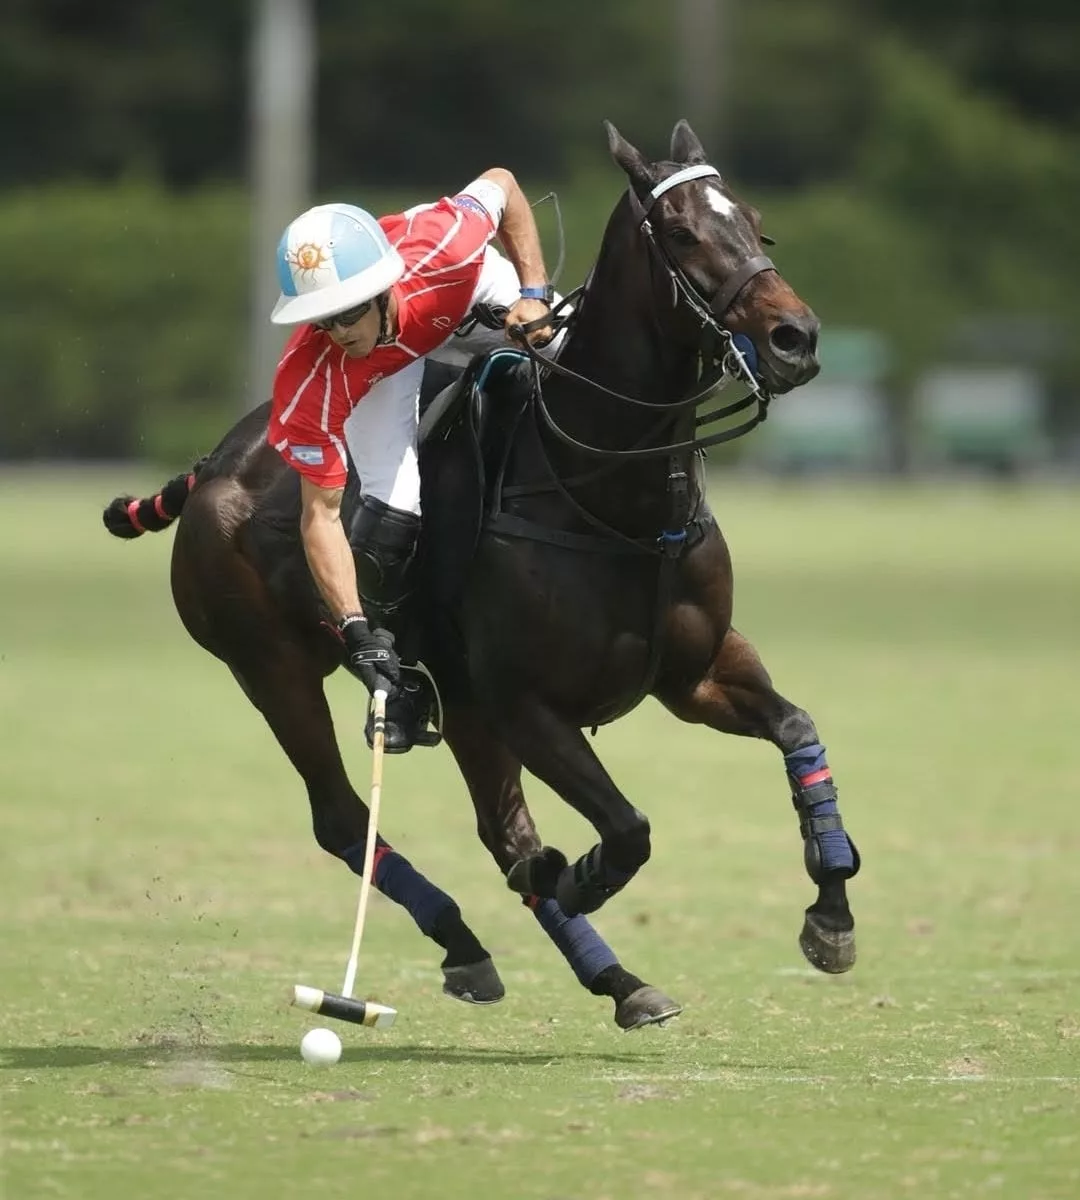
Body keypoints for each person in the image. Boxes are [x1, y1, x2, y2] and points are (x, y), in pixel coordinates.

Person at [267, 168, 557, 753]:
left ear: (381, 289)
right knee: (389, 518)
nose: (337, 331)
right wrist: (355, 631)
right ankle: (403, 680)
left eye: (348, 312)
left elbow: (503, 185)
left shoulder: (446, 246)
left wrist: (534, 293)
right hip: (387, 369)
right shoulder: (314, 375)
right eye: (322, 319)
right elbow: (320, 516)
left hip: (464, 300)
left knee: (572, 361)